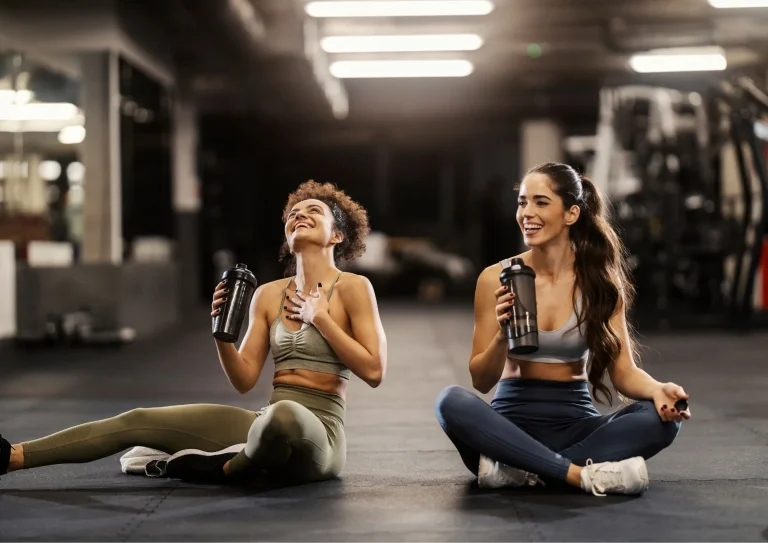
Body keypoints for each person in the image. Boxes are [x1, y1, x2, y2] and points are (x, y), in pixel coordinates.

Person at [0, 180, 387, 486]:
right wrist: (221, 334)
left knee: (283, 417)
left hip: (320, 435)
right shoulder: (268, 295)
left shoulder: (354, 288)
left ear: (337, 235)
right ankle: (14, 456)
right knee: (138, 419)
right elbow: (244, 380)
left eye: (313, 211)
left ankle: (227, 469)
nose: (299, 216)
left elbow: (373, 372)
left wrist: (322, 319)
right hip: (264, 424)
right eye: (293, 215)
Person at [434, 162, 690, 497]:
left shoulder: (599, 282)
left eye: (541, 202)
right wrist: (501, 334)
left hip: (576, 425)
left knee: (660, 421)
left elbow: (624, 371)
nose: (527, 212)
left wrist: (659, 390)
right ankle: (578, 475)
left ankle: (520, 470)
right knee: (449, 401)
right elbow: (481, 380)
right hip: (508, 427)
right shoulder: (494, 277)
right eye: (522, 202)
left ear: (571, 214)